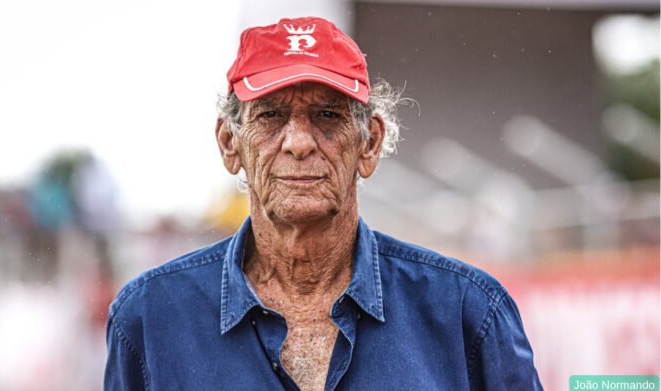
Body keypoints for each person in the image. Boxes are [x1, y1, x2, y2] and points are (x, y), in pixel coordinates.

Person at [104, 16, 543, 390]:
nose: (298, 142)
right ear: (229, 143)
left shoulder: (467, 313)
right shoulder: (150, 318)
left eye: (327, 115)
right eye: (271, 115)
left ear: (369, 143)